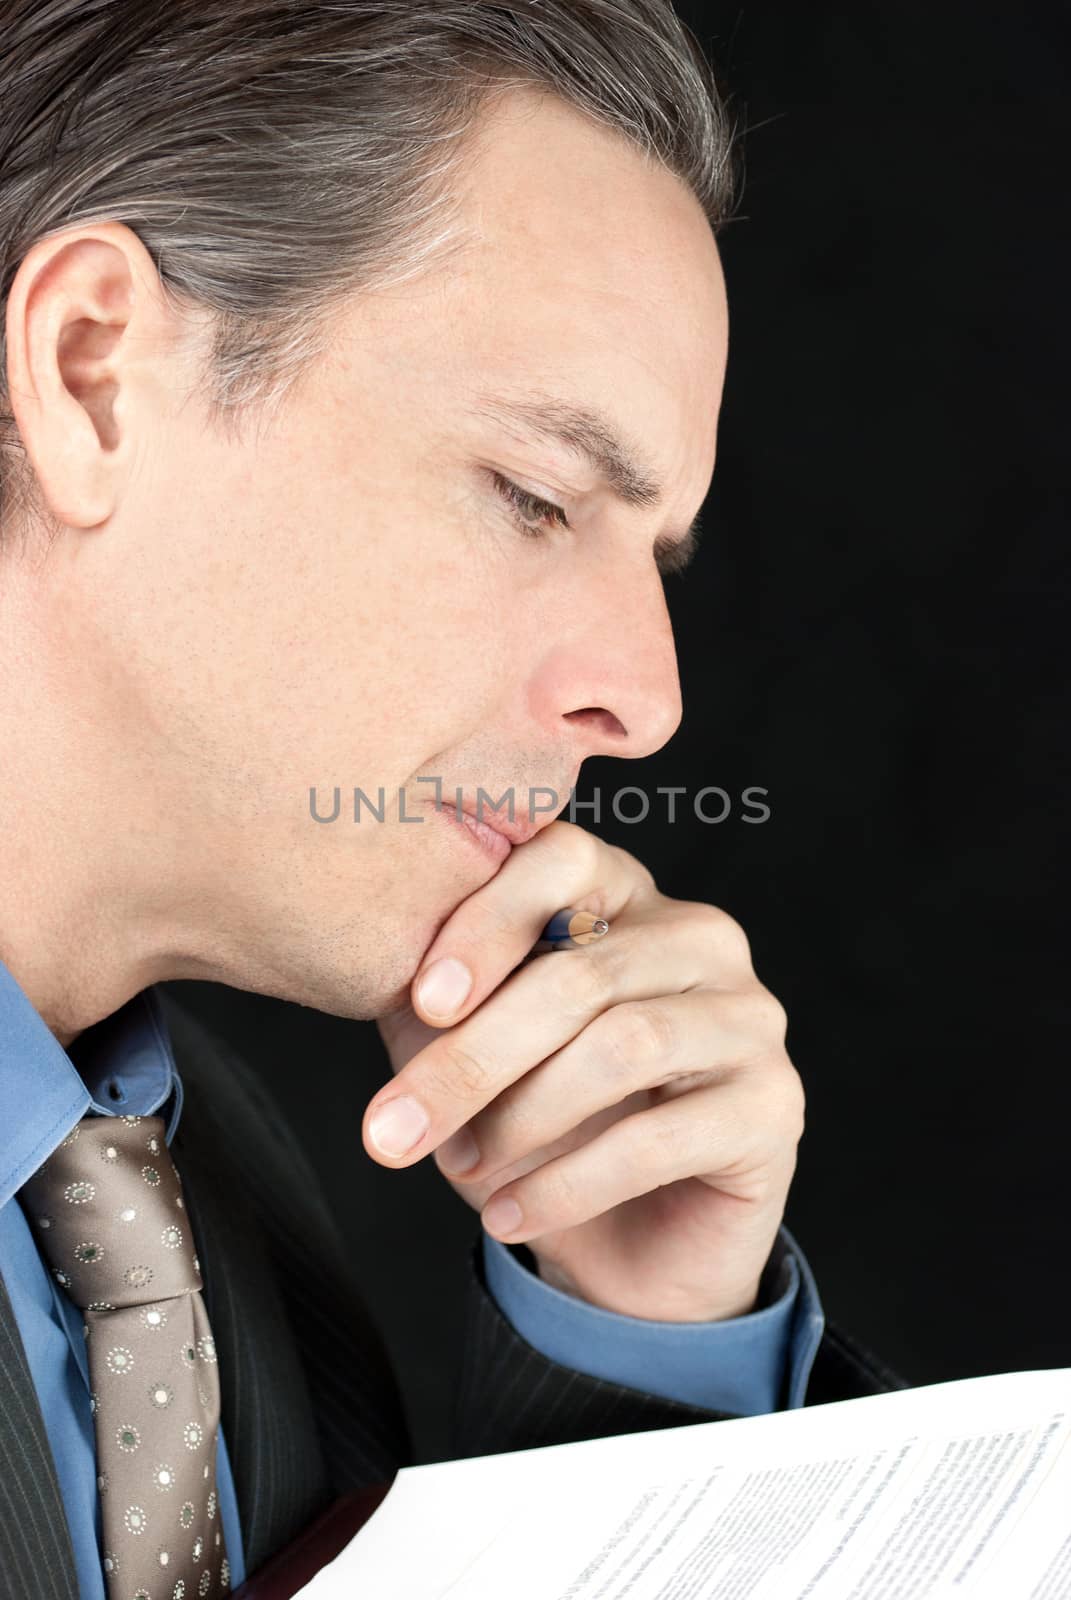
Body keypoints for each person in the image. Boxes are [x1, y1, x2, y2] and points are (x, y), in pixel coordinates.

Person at [0, 3, 903, 1596]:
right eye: (536, 495)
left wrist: (653, 1355)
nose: (649, 696)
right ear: (93, 375)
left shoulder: (197, 1209)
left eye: (656, 555)